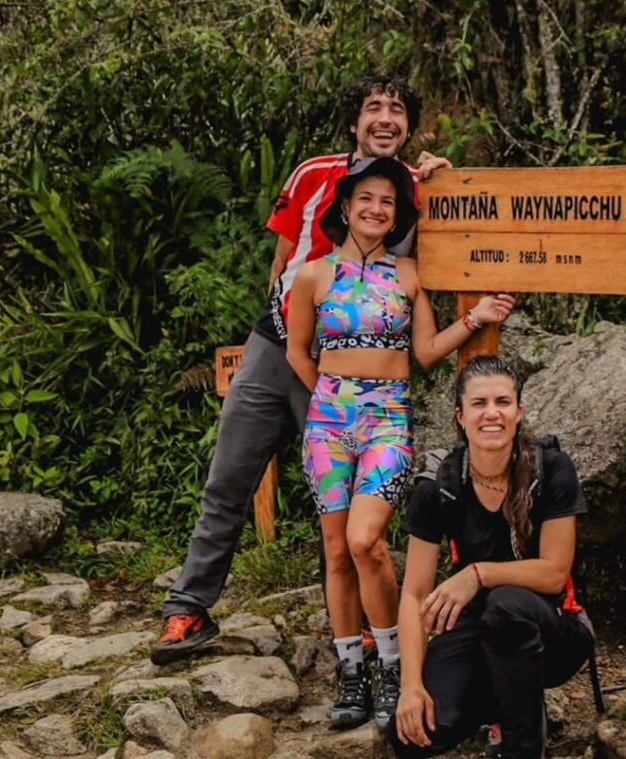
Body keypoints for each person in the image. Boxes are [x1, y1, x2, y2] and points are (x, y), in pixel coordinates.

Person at [151, 72, 450, 666]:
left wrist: (446, 178)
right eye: (373, 108)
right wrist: (283, 326)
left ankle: (362, 627)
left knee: (346, 498)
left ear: (409, 127)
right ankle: (189, 607)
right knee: (229, 475)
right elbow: (283, 256)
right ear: (355, 122)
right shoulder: (314, 173)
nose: (384, 118)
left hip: (360, 367)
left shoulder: (419, 187)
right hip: (279, 345)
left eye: (396, 110)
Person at [286, 158, 517, 731]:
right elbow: (297, 350)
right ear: (346, 206)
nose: (375, 209)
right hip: (329, 421)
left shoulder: (409, 274)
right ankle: (351, 673)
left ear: (396, 215)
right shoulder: (313, 276)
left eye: (387, 202)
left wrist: (477, 317)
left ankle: (392, 665)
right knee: (337, 551)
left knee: (367, 541)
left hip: (389, 415)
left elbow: (427, 351)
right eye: (366, 198)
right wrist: (330, 403)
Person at [387, 355, 595, 759]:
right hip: (478, 630)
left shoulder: (551, 469)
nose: (492, 414)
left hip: (556, 629)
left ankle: (523, 746)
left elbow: (554, 573)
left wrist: (478, 574)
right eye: (479, 404)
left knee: (505, 606)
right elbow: (413, 594)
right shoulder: (440, 486)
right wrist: (411, 686)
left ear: (519, 412)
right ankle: (500, 702)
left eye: (503, 402)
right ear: (461, 417)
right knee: (415, 736)